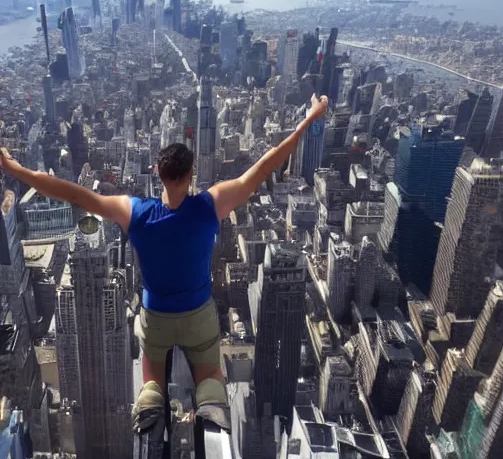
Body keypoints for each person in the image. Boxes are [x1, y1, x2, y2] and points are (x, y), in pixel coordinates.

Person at [0, 93, 328, 433]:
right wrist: (309, 119)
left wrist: (16, 169)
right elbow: (266, 165)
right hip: (199, 315)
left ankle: (150, 403)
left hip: (155, 317)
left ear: (157, 173)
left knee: (152, 377)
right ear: (191, 174)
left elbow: (73, 193)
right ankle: (211, 405)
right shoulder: (210, 206)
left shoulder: (136, 213)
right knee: (211, 375)